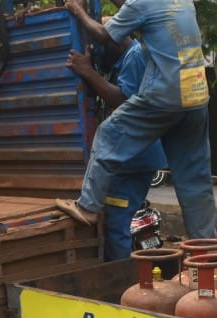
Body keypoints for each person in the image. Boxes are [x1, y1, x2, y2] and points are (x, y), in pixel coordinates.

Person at [57, 0, 217, 240]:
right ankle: (207, 247)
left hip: (165, 95)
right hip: (195, 96)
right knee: (195, 179)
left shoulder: (142, 4)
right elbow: (140, 13)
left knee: (108, 135)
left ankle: (88, 207)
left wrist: (77, 10)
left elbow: (104, 35)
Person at [66, 25, 166, 260]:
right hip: (130, 157)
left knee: (116, 227)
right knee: (115, 223)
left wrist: (89, 72)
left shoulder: (134, 57)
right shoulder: (125, 59)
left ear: (115, 42)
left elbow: (123, 100)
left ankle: (119, 285)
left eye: (101, 49)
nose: (100, 57)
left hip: (133, 159)